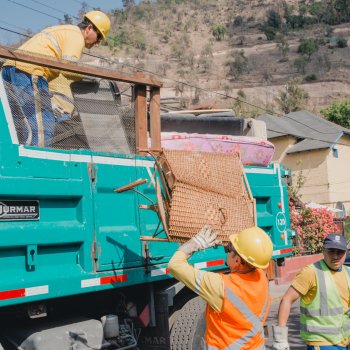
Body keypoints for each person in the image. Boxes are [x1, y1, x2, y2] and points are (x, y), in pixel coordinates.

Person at [1, 10, 110, 147]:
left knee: (20, 124)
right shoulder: (76, 36)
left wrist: (50, 98)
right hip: (29, 71)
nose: (98, 42)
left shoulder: (65, 31)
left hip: (10, 69)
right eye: (99, 37)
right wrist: (91, 75)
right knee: (44, 127)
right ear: (89, 28)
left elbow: (57, 71)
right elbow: (69, 69)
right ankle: (39, 163)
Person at [168, 225, 273, 350]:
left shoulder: (221, 287)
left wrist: (194, 244)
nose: (227, 251)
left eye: (230, 249)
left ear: (237, 261)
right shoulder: (261, 277)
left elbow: (174, 265)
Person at [272, 233, 350, 350]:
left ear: (346, 253)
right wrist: (280, 338)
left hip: (344, 341)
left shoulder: (348, 272)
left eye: (340, 252)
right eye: (331, 251)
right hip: (321, 343)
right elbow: (287, 300)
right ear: (323, 251)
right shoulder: (310, 272)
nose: (335, 256)